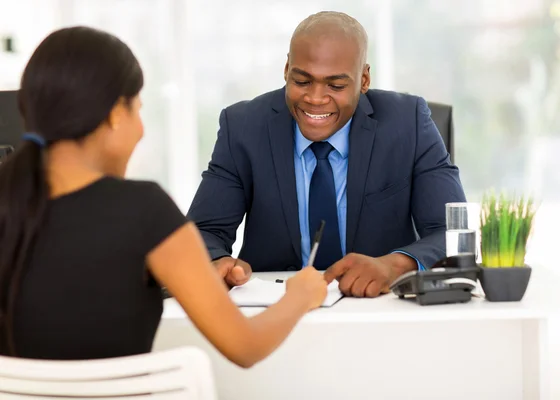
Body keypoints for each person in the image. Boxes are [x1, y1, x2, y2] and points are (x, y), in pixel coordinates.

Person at [0, 26, 328, 365]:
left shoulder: (9, 202)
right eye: (137, 109)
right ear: (115, 114)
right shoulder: (145, 211)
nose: (140, 129)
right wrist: (299, 298)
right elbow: (245, 347)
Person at [188, 11, 467, 298]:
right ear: (286, 70)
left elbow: (455, 234)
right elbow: (203, 232)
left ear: (364, 79)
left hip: (378, 307)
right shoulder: (243, 127)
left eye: (335, 85)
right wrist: (216, 263)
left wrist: (396, 265)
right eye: (302, 81)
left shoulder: (408, 123)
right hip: (273, 311)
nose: (316, 98)